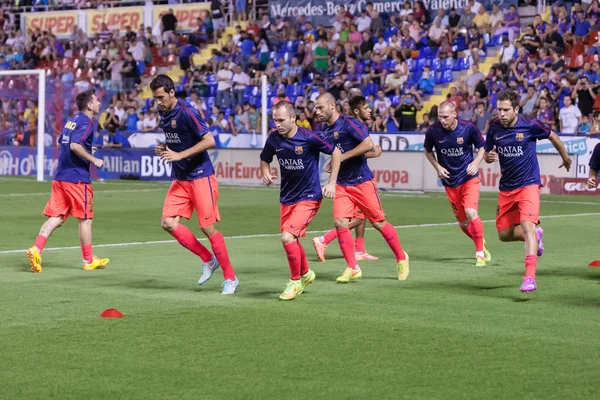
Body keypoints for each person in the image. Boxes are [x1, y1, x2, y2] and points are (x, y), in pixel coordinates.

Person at [150, 75, 239, 295]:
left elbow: (210, 140)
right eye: (155, 98)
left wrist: (180, 154)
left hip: (201, 176)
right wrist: (165, 147)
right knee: (168, 223)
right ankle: (208, 259)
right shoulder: (163, 113)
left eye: (161, 97)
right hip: (180, 179)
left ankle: (231, 278)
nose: (158, 102)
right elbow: (178, 138)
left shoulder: (187, 111)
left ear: (172, 92)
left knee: (207, 227)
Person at [314, 93, 409, 283]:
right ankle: (353, 267)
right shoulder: (325, 130)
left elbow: (368, 144)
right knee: (341, 222)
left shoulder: (349, 123)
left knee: (378, 223)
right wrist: (333, 162)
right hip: (342, 184)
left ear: (332, 106)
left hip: (362, 182)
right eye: (316, 108)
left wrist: (341, 157)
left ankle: (401, 257)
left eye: (320, 107)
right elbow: (335, 153)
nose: (317, 112)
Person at [484, 90, 572, 292]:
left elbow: (552, 135)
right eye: (500, 109)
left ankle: (529, 278)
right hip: (506, 188)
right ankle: (535, 235)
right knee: (503, 235)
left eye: (506, 110)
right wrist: (488, 158)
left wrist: (565, 157)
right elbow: (489, 153)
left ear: (516, 109)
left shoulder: (530, 126)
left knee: (527, 225)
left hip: (529, 184)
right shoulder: (494, 129)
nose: (502, 113)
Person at [260, 101, 342, 300]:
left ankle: (295, 281)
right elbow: (265, 158)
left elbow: (336, 151)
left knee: (287, 237)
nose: (277, 124)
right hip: (287, 198)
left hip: (309, 197)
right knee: (292, 239)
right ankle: (306, 274)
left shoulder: (309, 138)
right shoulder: (274, 140)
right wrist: (266, 172)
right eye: (275, 120)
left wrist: (332, 183)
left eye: (281, 120)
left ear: (293, 118)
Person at [27, 89, 109, 273]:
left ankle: (36, 249)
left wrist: (87, 149)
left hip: (60, 177)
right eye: (95, 100)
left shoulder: (72, 121)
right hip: (77, 179)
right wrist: (93, 159)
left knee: (56, 217)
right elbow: (74, 145)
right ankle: (88, 260)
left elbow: (61, 143)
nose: (98, 103)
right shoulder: (87, 123)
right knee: (85, 220)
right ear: (89, 104)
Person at [312, 96, 383, 262]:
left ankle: (359, 249)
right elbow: (352, 151)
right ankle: (324, 240)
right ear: (357, 111)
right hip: (351, 180)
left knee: (362, 215)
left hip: (356, 175)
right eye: (366, 108)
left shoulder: (355, 125)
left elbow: (352, 153)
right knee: (358, 217)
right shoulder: (349, 124)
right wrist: (373, 153)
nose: (370, 110)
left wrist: (370, 154)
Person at [423, 101, 491, 266]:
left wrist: (475, 163)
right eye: (440, 117)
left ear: (454, 114)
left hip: (469, 178)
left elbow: (482, 147)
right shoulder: (433, 131)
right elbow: (427, 150)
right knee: (463, 223)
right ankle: (480, 241)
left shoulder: (468, 128)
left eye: (446, 117)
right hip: (449, 181)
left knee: (470, 212)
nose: (443, 120)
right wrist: (437, 166)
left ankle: (480, 255)